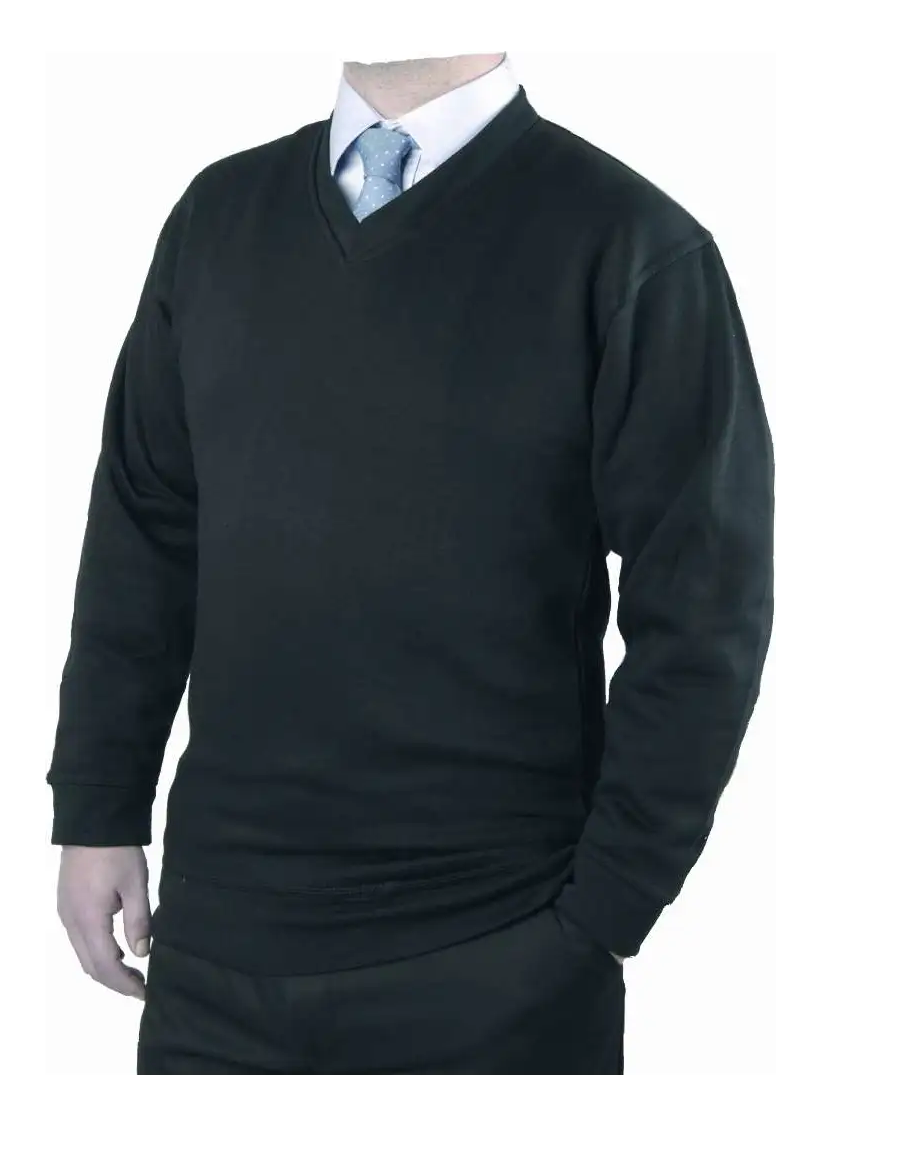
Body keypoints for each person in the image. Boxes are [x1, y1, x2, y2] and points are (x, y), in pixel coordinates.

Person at [47, 53, 775, 1073]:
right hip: (215, 945)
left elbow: (706, 609)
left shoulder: (629, 242)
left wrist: (608, 909)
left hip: (494, 947)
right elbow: (147, 527)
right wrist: (98, 805)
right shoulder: (219, 217)